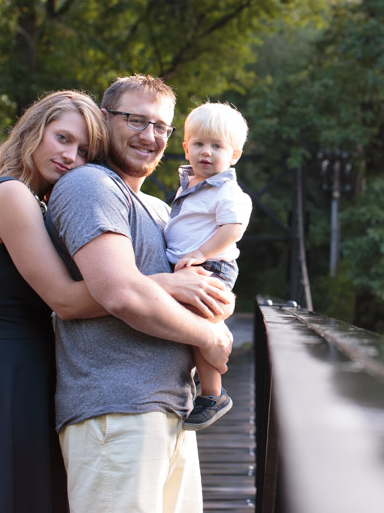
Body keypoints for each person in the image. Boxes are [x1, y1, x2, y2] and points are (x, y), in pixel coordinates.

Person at [44, 74, 235, 513]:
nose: (150, 136)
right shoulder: (89, 184)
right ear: (104, 119)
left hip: (173, 412)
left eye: (162, 127)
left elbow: (199, 287)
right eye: (135, 120)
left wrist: (216, 299)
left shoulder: (162, 209)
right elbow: (120, 295)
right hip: (117, 413)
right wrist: (210, 337)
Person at [0, 90, 111, 513]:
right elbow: (65, 300)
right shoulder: (10, 195)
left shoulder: (34, 201)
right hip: (5, 376)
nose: (71, 156)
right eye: (63, 138)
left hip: (21, 368)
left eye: (84, 151)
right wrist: (153, 287)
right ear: (35, 130)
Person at [165, 102, 252, 431]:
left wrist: (201, 252)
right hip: (195, 264)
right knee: (184, 323)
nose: (206, 152)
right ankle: (193, 378)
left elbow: (233, 228)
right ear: (186, 148)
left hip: (213, 264)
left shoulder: (227, 190)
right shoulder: (191, 186)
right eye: (199, 144)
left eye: (217, 146)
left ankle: (213, 394)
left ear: (234, 155)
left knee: (201, 326)